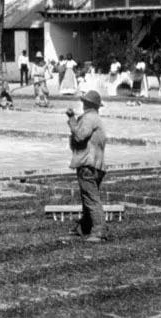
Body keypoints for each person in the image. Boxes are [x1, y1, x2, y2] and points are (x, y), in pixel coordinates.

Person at [66, 90, 108, 243]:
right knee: (87, 198)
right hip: (98, 165)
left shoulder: (88, 118)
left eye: (84, 102)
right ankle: (84, 228)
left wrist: (72, 119)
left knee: (91, 199)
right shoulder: (97, 119)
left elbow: (80, 135)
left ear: (87, 104)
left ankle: (99, 231)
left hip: (87, 165)